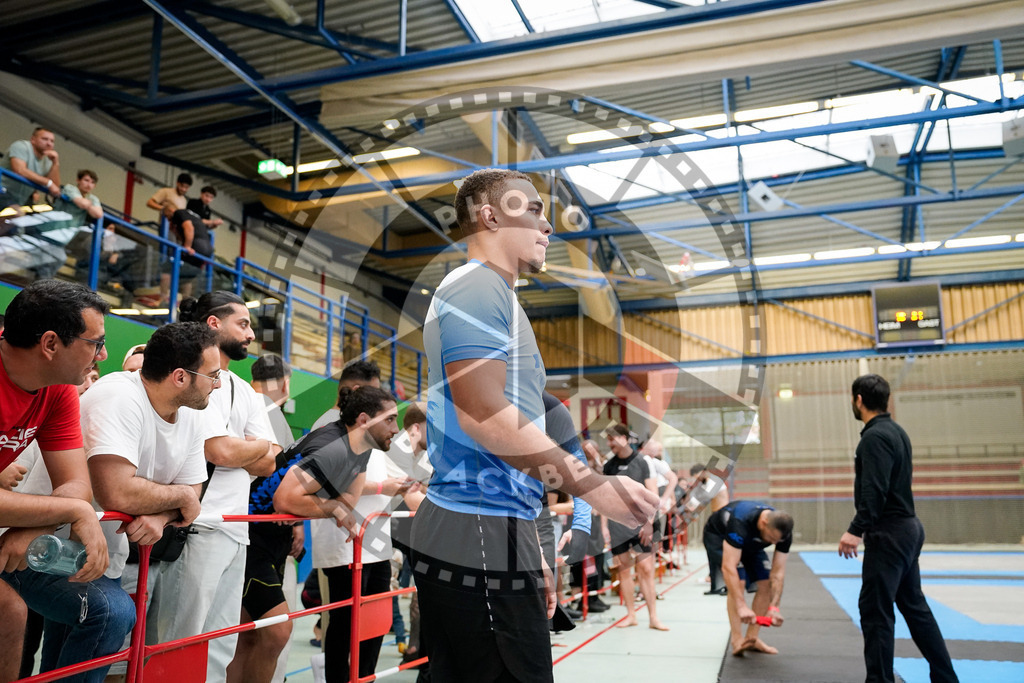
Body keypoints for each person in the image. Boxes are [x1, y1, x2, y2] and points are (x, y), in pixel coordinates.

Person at [411, 168, 659, 682]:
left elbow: (514, 420)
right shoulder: (476, 286)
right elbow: (482, 415)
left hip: (496, 525)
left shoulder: (501, 298)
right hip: (476, 524)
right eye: (535, 211)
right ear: (491, 216)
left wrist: (531, 548)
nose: (548, 228)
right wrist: (593, 487)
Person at [0, 279, 134, 682]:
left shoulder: (56, 391)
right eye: (96, 343)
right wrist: (75, 511)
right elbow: (76, 500)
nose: (103, 355)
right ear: (51, 344)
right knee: (10, 612)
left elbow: (76, 483)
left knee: (112, 611)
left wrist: (34, 526)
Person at [148, 291, 281, 683]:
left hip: (236, 530)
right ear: (213, 324)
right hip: (198, 525)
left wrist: (247, 449)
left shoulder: (245, 390)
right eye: (242, 324)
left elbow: (271, 460)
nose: (251, 334)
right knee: (178, 639)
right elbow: (218, 450)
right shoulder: (191, 381)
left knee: (220, 642)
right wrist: (252, 449)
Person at [83, 323, 216, 680]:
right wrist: (181, 498)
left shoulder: (189, 415)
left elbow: (194, 491)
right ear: (179, 377)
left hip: (105, 557)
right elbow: (118, 491)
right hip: (53, 550)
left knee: (101, 655)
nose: (217, 384)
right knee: (110, 623)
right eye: (213, 375)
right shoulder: (118, 397)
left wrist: (160, 516)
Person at [273, 386, 403, 682]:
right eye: (390, 420)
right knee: (332, 624)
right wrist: (336, 509)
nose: (396, 429)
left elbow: (349, 502)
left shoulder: (362, 448)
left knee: (364, 621)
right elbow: (284, 499)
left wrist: (341, 509)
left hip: (275, 537)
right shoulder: (332, 448)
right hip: (259, 534)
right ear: (363, 420)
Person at [839, 374, 958, 683]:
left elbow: (874, 490)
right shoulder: (897, 432)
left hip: (889, 532)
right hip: (907, 529)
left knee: (875, 611)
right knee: (914, 607)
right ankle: (946, 678)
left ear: (859, 400)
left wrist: (855, 529)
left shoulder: (874, 438)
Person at [703, 501, 792, 656]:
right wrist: (741, 605)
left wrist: (774, 607)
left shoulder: (782, 532)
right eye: (771, 538)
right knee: (739, 580)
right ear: (764, 523)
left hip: (751, 540)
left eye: (777, 541)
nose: (773, 543)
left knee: (765, 584)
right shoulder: (740, 521)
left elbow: (777, 573)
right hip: (719, 535)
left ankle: (751, 638)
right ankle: (737, 640)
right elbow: (728, 567)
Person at [604, 424, 668, 631]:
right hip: (618, 525)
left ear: (623, 438)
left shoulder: (644, 462)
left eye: (612, 439)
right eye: (608, 440)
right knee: (624, 570)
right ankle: (631, 615)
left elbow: (652, 495)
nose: (609, 444)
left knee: (646, 569)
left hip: (642, 523)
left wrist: (649, 524)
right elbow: (606, 498)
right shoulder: (609, 465)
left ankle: (653, 617)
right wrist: (605, 527)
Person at [312, 360, 382, 429]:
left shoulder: (335, 421)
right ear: (357, 390)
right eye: (374, 392)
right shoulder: (334, 424)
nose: (378, 398)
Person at [1, 128, 60, 210]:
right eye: (45, 139)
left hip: (17, 200)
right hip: (2, 190)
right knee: (17, 215)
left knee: (22, 218)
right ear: (33, 139)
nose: (49, 144)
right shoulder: (21, 146)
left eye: (52, 141)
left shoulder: (49, 160)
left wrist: (55, 163)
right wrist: (47, 182)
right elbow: (19, 170)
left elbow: (55, 188)